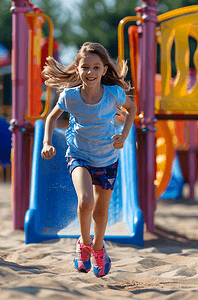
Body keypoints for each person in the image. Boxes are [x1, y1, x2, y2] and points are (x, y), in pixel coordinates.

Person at [41, 42, 136, 277]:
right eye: (85, 67)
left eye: (96, 67)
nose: (90, 72)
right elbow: (51, 118)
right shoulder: (70, 96)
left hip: (106, 158)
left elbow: (132, 109)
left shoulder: (113, 94)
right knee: (85, 201)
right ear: (77, 68)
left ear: (104, 70)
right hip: (78, 154)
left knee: (100, 212)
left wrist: (123, 135)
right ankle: (84, 244)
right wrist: (47, 142)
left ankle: (98, 247)